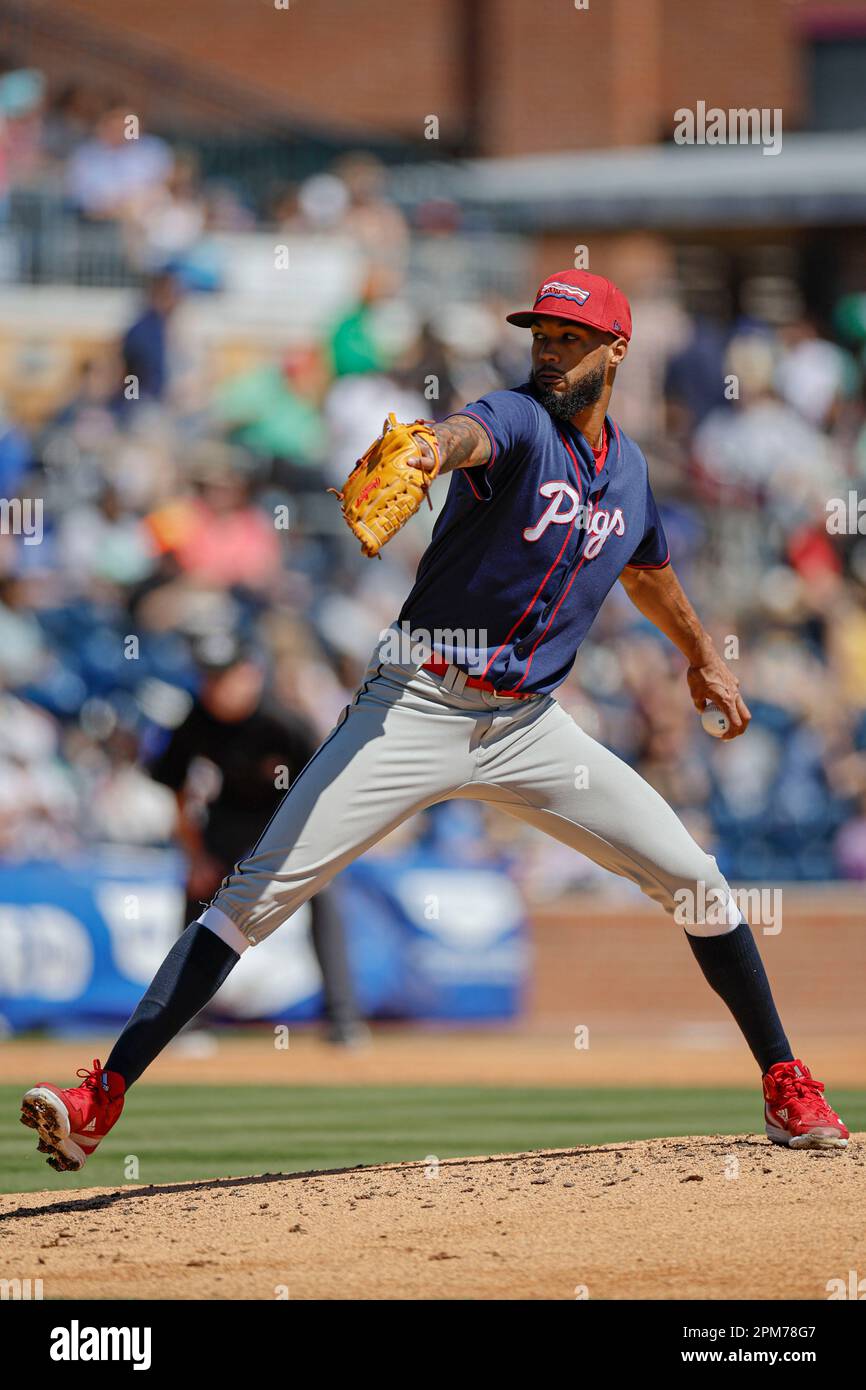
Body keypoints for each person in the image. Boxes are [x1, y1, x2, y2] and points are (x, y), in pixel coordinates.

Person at [21, 270, 848, 1172]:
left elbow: (646, 567)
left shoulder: (634, 473)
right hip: (415, 703)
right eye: (540, 334)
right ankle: (102, 1096)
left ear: (616, 349)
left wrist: (703, 655)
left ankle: (785, 1079)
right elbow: (468, 433)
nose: (548, 349)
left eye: (568, 338)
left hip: (531, 727)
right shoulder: (520, 419)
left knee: (696, 880)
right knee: (253, 895)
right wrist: (426, 452)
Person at [148, 632, 364, 1048]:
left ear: (250, 675)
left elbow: (326, 786)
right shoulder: (195, 721)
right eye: (208, 678)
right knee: (197, 899)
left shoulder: (283, 722)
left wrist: (323, 853)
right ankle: (183, 1020)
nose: (215, 688)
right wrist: (195, 856)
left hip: (288, 818)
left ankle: (343, 1019)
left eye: (224, 677)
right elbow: (174, 788)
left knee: (325, 897)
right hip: (229, 819)